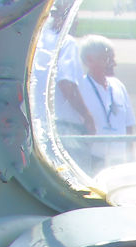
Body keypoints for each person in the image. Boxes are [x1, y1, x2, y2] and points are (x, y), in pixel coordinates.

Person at [32, 0, 96, 141]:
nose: (77, 23)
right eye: (74, 18)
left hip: (38, 123)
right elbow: (66, 85)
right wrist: (87, 116)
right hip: (65, 126)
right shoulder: (66, 42)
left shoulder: (36, 43)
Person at [77, 36, 136, 170]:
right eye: (107, 59)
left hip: (119, 160)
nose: (113, 64)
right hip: (92, 161)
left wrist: (131, 160)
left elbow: (129, 126)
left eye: (113, 59)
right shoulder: (80, 87)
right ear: (89, 60)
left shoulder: (118, 86)